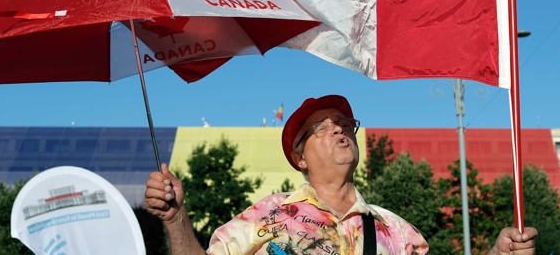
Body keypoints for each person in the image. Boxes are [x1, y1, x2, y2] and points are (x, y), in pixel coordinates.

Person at [145, 95, 537, 254]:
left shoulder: (397, 231)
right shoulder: (266, 216)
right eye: (322, 128)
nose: (338, 129)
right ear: (299, 159)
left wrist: (495, 254)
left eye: (344, 123)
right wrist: (177, 219)